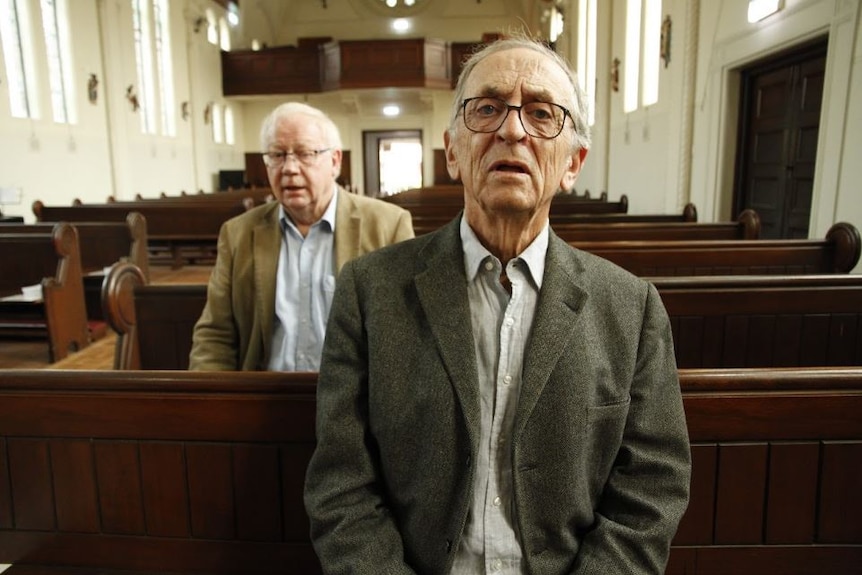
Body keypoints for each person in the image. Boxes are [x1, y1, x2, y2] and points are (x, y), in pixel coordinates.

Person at [304, 36, 691, 574]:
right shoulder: (370, 290)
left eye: (540, 113)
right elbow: (342, 482)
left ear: (572, 163)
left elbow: (651, 489)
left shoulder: (630, 308)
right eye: (487, 109)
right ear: (454, 153)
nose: (512, 130)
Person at [188, 102, 414, 371]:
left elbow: (408, 332)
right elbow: (216, 334)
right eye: (277, 154)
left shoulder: (388, 226)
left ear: (335, 161)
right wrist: (213, 404)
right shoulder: (238, 233)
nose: (289, 168)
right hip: (262, 396)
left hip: (355, 402)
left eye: (305, 153)